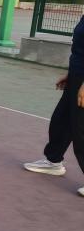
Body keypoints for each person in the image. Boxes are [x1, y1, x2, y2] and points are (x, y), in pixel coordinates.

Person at [23, 13, 84, 198]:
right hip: (77, 75)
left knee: (80, 130)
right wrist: (70, 75)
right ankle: (53, 161)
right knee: (61, 121)